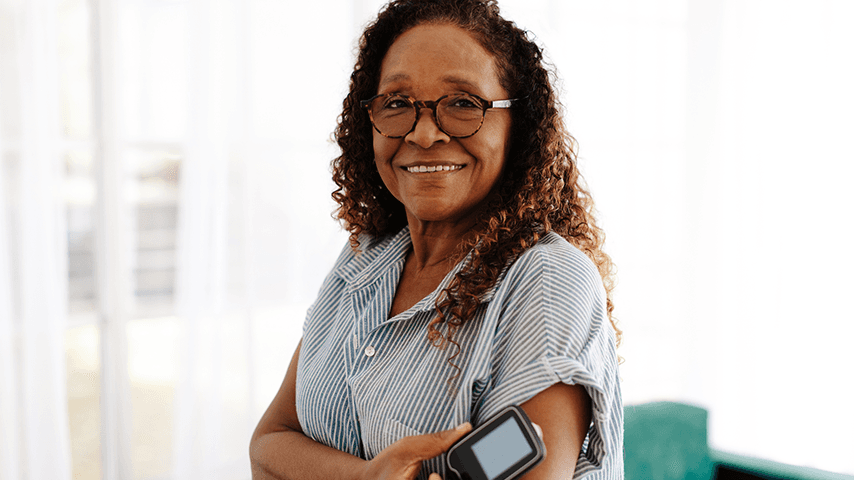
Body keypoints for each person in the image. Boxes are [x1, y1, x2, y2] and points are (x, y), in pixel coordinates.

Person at [249, 0, 623, 478]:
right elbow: (268, 445)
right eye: (398, 103)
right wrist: (365, 476)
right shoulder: (365, 255)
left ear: (519, 125)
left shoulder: (549, 281)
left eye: (464, 104)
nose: (424, 134)